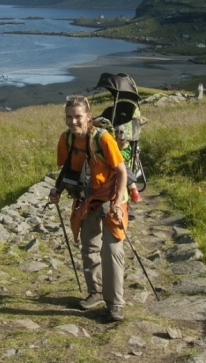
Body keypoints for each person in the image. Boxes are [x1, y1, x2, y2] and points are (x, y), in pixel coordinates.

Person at [49, 95, 129, 322]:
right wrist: (58, 190)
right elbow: (67, 170)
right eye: (69, 117)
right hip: (85, 200)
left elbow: (121, 171)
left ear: (88, 117)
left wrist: (115, 204)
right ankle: (95, 292)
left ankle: (115, 304)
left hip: (111, 199)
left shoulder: (102, 139)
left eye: (78, 117)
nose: (73, 122)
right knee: (89, 247)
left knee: (112, 251)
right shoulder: (66, 139)